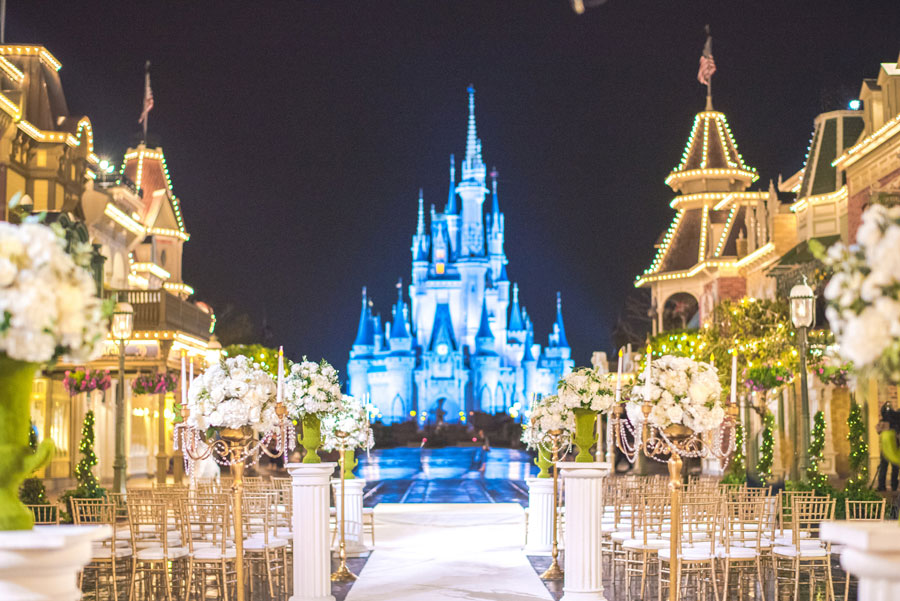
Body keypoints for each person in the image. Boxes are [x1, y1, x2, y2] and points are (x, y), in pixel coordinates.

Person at [877, 399, 900, 491]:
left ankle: (886, 486)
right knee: (887, 467)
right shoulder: (890, 421)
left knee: (889, 467)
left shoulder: (892, 421)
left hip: (892, 447)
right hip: (890, 447)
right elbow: (879, 431)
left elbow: (879, 431)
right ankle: (888, 486)